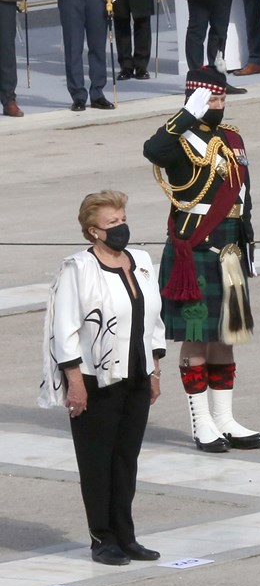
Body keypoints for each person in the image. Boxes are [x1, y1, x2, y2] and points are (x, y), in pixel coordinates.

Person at [144, 67, 260, 453]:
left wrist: (246, 244)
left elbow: (243, 192)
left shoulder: (230, 136)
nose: (219, 105)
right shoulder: (178, 141)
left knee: (226, 337)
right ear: (196, 99)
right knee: (197, 337)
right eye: (213, 100)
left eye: (221, 99)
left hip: (229, 250)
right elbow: (153, 151)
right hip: (195, 252)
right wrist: (185, 116)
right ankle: (202, 424)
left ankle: (225, 419)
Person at [41, 192, 168, 567]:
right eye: (113, 223)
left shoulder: (142, 261)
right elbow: (63, 329)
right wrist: (75, 382)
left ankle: (126, 536)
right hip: (96, 379)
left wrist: (154, 370)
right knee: (97, 462)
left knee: (126, 459)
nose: (121, 227)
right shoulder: (77, 269)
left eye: (123, 218)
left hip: (136, 375)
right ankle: (102, 538)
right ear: (93, 231)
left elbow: (153, 320)